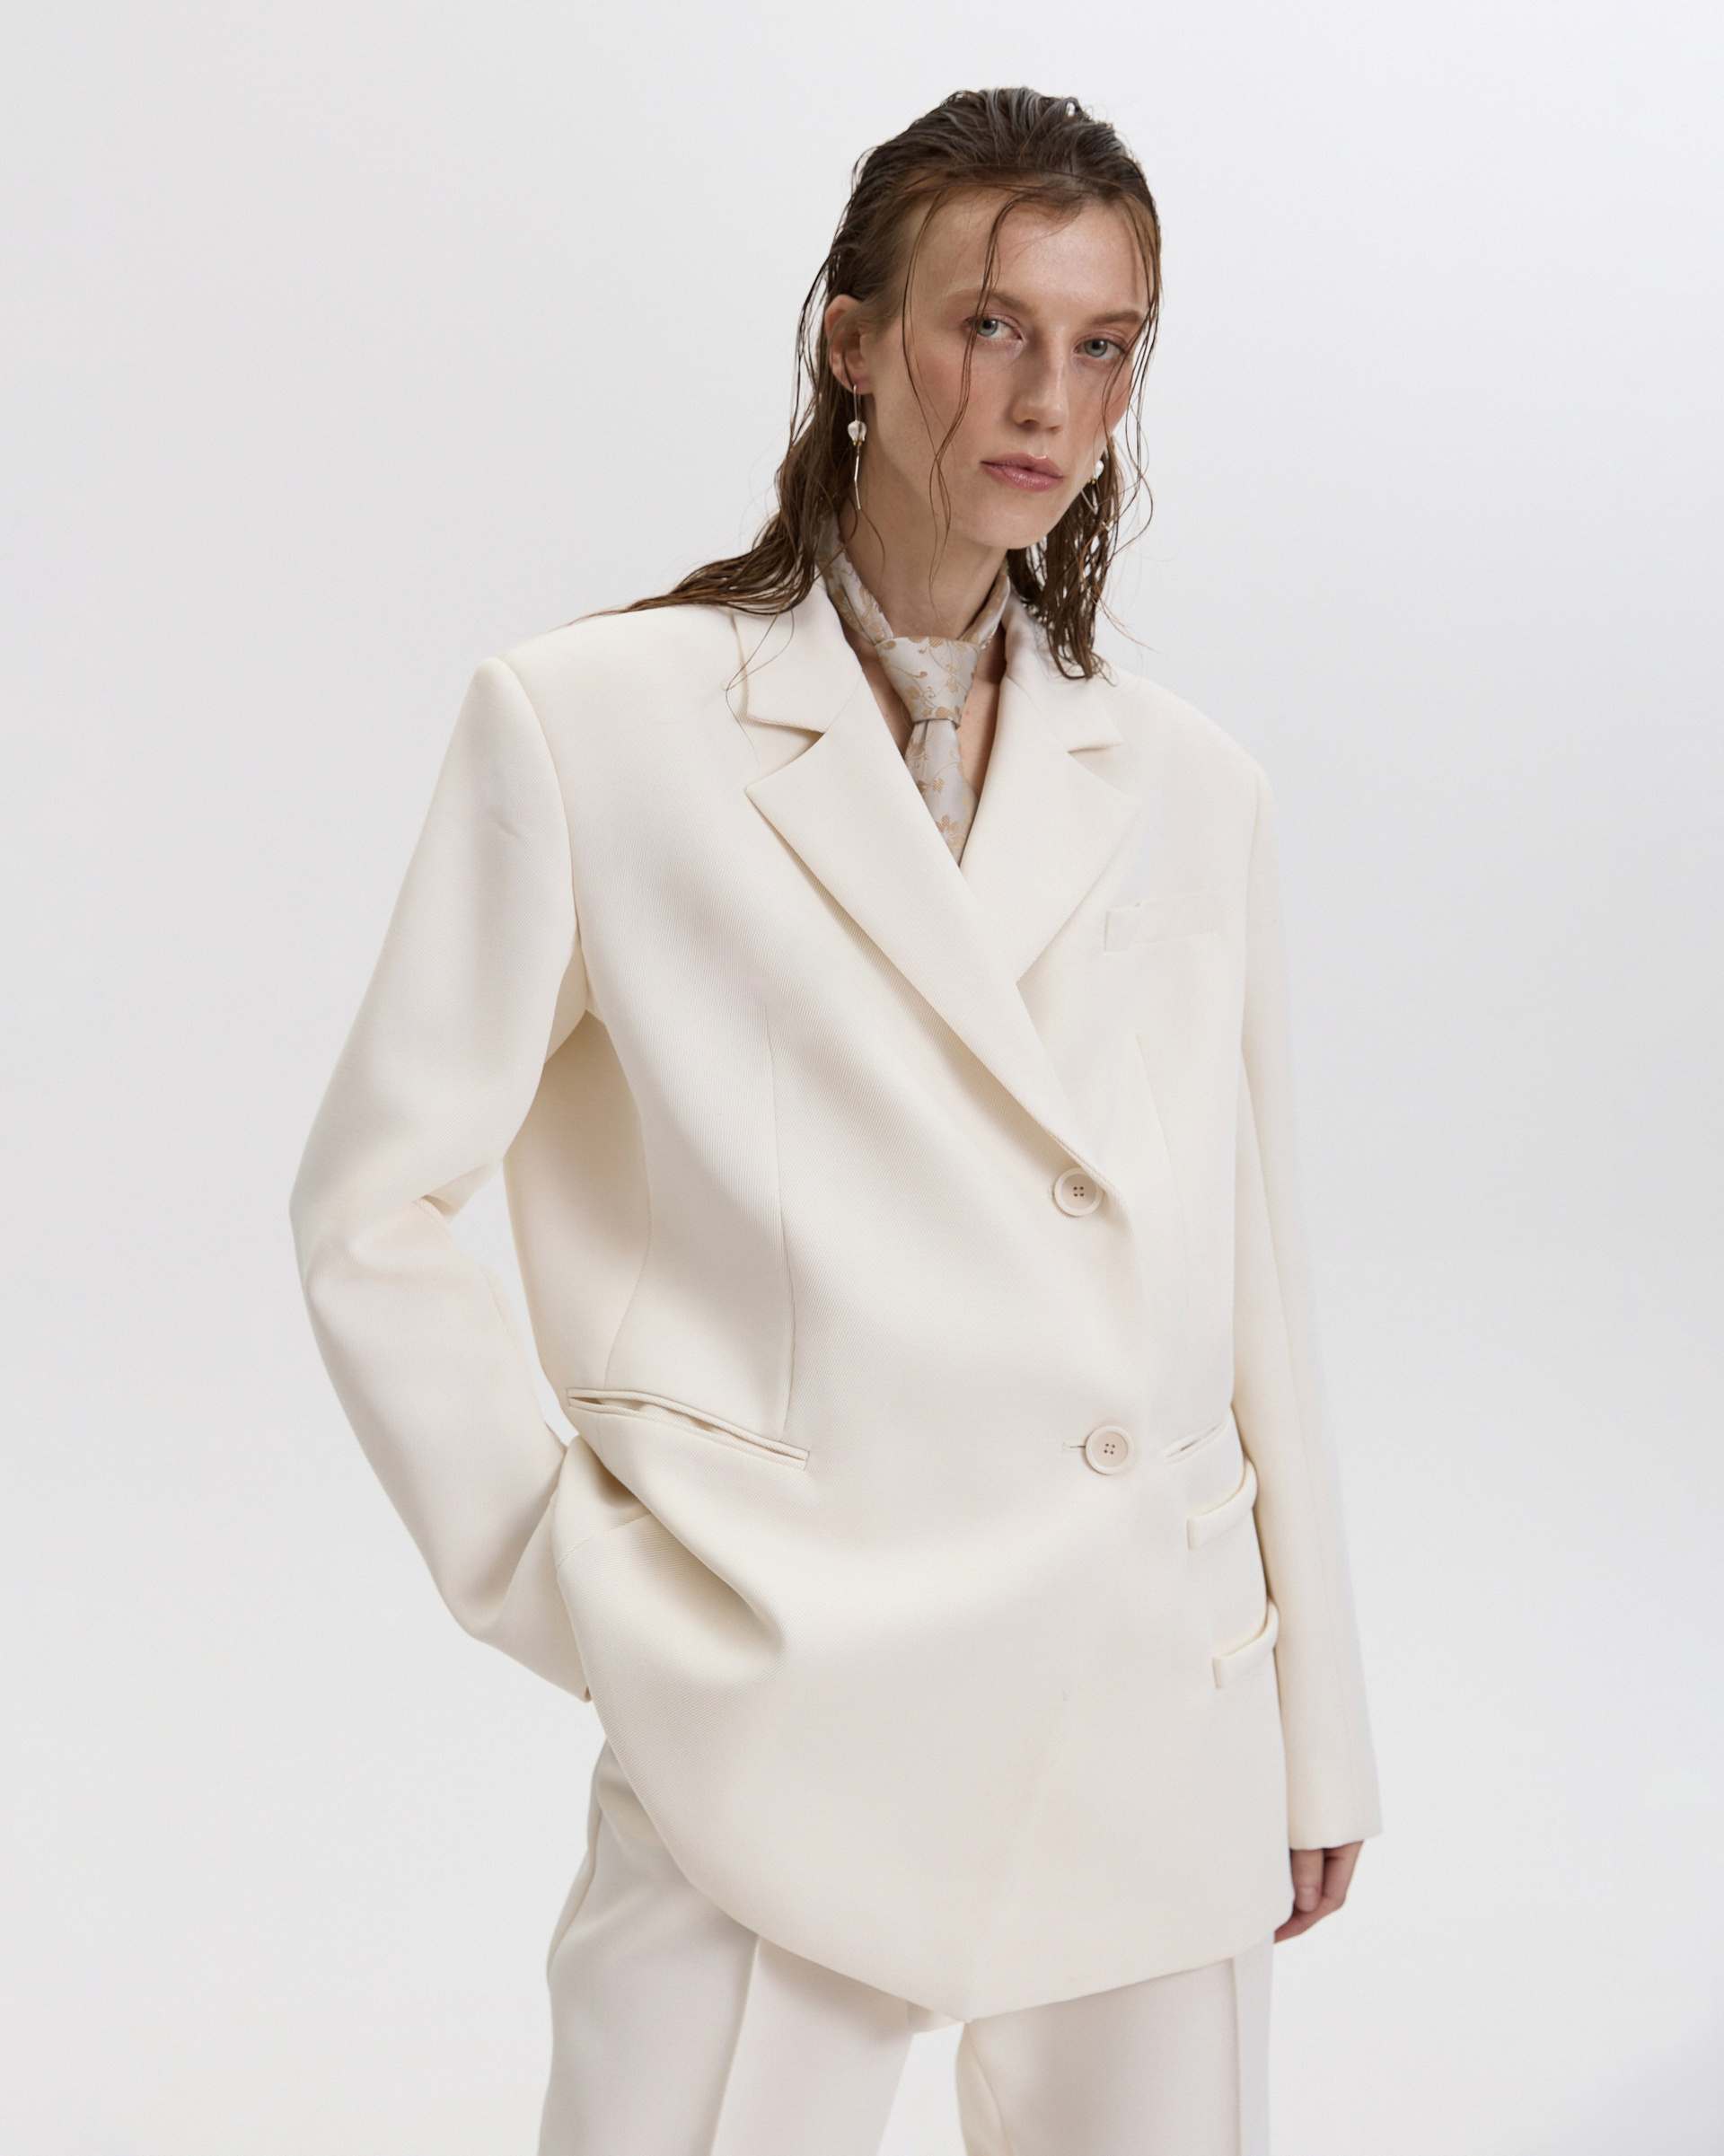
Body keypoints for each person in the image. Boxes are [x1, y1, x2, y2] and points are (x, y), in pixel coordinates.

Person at [290, 85, 1381, 2156]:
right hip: (780, 1681)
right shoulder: (595, 724)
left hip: (1145, 1692)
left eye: (1106, 344)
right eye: (992, 325)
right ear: (854, 340)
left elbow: (1249, 1272)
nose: (1049, 398)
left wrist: (1314, 1728)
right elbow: (373, 1207)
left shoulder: (1191, 785)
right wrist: (580, 1578)